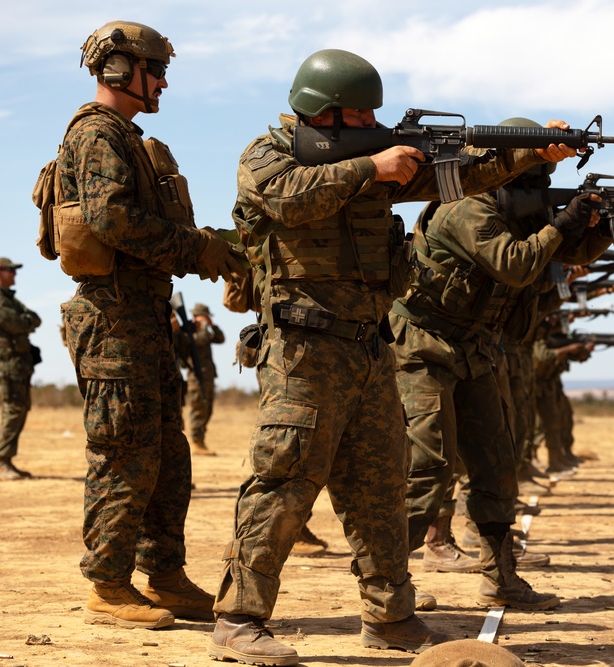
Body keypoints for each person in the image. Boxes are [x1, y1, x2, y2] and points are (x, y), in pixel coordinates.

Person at [208, 49, 572, 665]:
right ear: (324, 115)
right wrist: (371, 166)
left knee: (380, 489)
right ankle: (239, 619)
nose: (374, 123)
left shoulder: (372, 164)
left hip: (369, 346)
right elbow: (285, 198)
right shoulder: (268, 154)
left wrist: (531, 153)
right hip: (301, 349)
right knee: (284, 481)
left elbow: (462, 179)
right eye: (361, 112)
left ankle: (391, 618)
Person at [390, 117, 614, 610]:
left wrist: (605, 228)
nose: (540, 187)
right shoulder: (464, 207)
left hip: (476, 347)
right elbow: (517, 265)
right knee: (428, 467)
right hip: (424, 344)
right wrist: (562, 222)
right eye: (532, 178)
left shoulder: (516, 213)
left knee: (498, 466)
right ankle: (389, 584)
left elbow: (561, 259)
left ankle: (501, 578)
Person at [55, 20, 242, 630]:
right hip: (112, 318)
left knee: (167, 451)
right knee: (124, 452)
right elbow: (113, 221)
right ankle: (107, 585)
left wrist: (207, 246)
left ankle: (163, 574)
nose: (162, 83)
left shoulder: (127, 139)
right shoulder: (97, 135)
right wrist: (195, 250)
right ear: (119, 69)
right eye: (154, 70)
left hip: (140, 314)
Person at [0, 257, 41, 481]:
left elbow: (36, 318)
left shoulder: (8, 298)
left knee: (20, 409)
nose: (14, 275)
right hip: (9, 362)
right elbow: (18, 324)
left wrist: (26, 320)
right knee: (13, 410)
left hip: (20, 361)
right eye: (10, 271)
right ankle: (2, 462)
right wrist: (25, 321)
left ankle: (7, 461)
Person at [186, 303, 225, 456]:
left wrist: (212, 326)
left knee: (207, 410)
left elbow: (220, 339)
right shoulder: (189, 331)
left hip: (208, 376)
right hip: (196, 377)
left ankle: (201, 440)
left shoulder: (205, 331)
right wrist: (202, 326)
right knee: (198, 410)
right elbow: (200, 340)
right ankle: (195, 441)